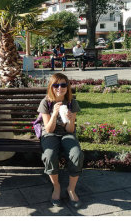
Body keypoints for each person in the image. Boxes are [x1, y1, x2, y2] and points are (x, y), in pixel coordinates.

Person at [37, 73, 84, 208]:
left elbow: (70, 130)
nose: (60, 88)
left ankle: (71, 189)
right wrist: (55, 114)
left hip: (66, 134)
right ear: (51, 87)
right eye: (56, 85)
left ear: (67, 87)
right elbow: (49, 129)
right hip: (50, 134)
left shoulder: (72, 103)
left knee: (77, 154)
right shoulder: (46, 102)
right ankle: (56, 186)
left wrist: (70, 119)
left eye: (63, 85)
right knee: (49, 155)